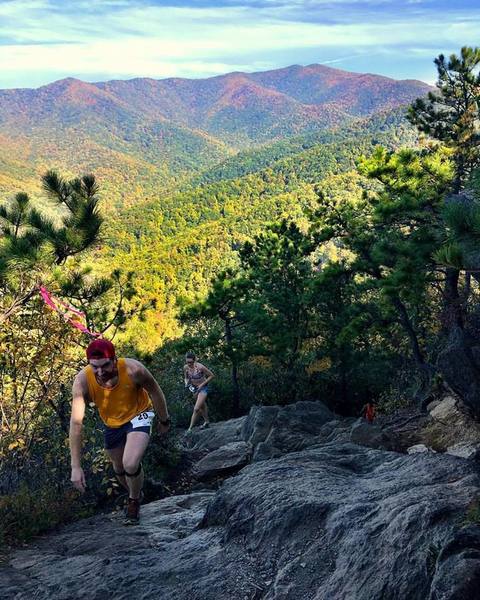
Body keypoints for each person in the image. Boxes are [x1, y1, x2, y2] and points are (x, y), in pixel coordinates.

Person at [69, 338, 171, 525]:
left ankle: (134, 501)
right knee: (119, 469)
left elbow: (155, 391)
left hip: (139, 414)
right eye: (94, 367)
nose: (100, 372)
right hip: (112, 423)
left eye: (105, 366)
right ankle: (139, 491)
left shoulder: (134, 370)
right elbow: (76, 424)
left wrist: (164, 419)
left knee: (130, 463)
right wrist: (76, 466)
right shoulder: (82, 381)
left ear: (115, 359)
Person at [183, 352, 214, 432]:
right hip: (194, 389)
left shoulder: (200, 367)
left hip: (203, 388)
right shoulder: (186, 368)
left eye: (191, 362)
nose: (189, 364)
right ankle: (207, 422)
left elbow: (211, 375)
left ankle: (189, 429)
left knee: (196, 408)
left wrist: (202, 384)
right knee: (202, 406)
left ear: (194, 360)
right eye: (187, 362)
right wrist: (186, 383)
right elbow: (186, 377)